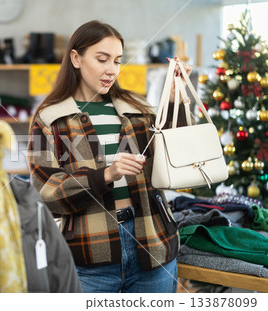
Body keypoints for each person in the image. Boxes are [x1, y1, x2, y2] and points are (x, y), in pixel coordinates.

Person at [27, 20, 192, 293]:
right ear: (76, 58)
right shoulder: (51, 118)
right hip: (90, 256)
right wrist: (106, 175)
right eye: (102, 59)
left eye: (117, 61)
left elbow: (177, 154)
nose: (112, 70)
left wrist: (176, 101)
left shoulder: (138, 110)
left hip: (152, 247)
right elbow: (46, 190)